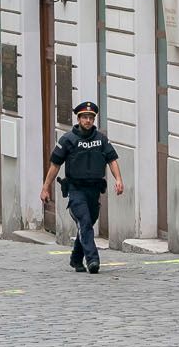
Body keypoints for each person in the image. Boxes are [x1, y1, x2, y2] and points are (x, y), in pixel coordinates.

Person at [43, 100, 123, 274]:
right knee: (85, 222)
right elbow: (55, 164)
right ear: (78, 119)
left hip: (94, 190)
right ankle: (93, 260)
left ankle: (76, 258)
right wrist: (46, 187)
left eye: (91, 118)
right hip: (76, 189)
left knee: (87, 224)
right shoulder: (68, 139)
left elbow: (112, 160)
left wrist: (118, 179)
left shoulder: (101, 139)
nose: (88, 120)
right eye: (85, 117)